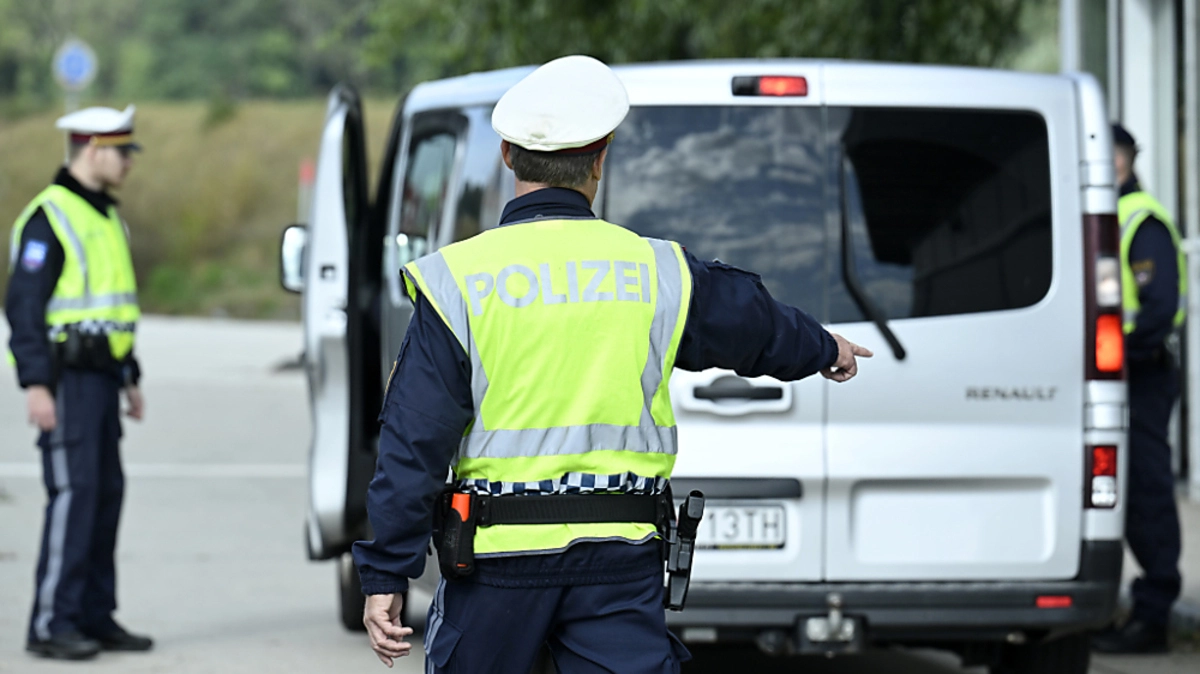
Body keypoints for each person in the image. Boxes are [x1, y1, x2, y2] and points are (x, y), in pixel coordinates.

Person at [352, 55, 872, 672]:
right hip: (619, 566)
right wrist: (824, 347)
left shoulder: (459, 281)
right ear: (601, 158)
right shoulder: (657, 272)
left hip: (495, 566)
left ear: (507, 156)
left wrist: (388, 570)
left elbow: (414, 440)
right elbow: (751, 321)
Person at [6, 105, 152, 660]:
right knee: (74, 496)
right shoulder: (49, 217)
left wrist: (129, 375)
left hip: (101, 380)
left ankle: (94, 615)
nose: (129, 163)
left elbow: (113, 310)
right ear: (93, 149)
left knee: (105, 495)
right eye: (122, 152)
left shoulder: (106, 216)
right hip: (65, 383)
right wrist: (36, 385)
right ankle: (51, 623)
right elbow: (23, 308)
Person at [1092, 123, 1188, 655]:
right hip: (1116, 374)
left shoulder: (1139, 218)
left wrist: (1114, 355)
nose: (1110, 162)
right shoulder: (1101, 217)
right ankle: (1138, 609)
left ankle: (1154, 616)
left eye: (1118, 153)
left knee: (1146, 492)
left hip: (1141, 374)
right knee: (1119, 494)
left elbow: (1161, 309)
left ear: (1129, 158)